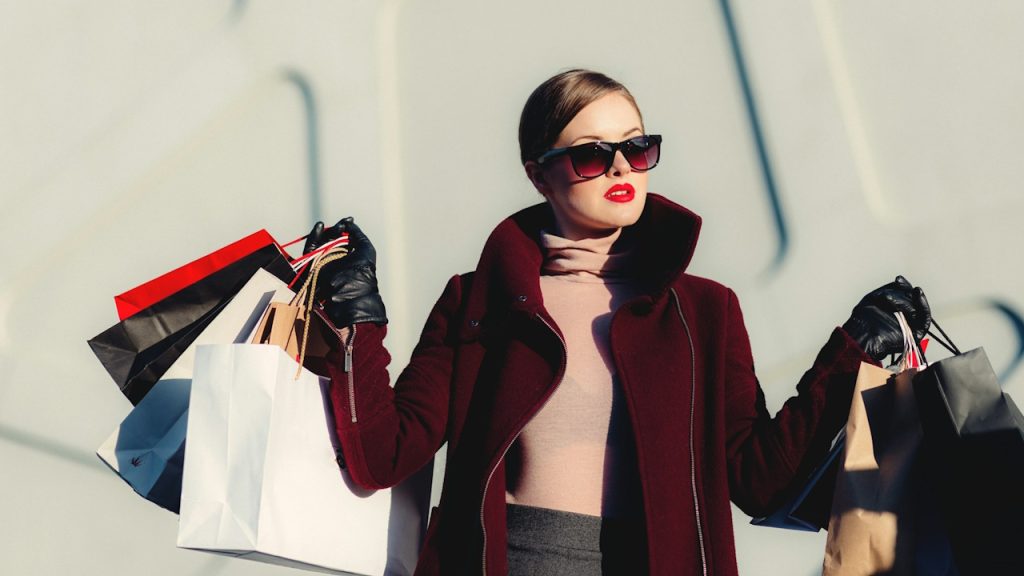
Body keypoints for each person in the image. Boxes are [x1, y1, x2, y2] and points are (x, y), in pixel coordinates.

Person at [302, 69, 931, 576]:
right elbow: (381, 456)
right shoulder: (480, 301)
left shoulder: (704, 312)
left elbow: (759, 482)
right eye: (591, 156)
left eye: (637, 146)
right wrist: (358, 318)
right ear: (537, 172)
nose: (624, 168)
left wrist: (852, 350)